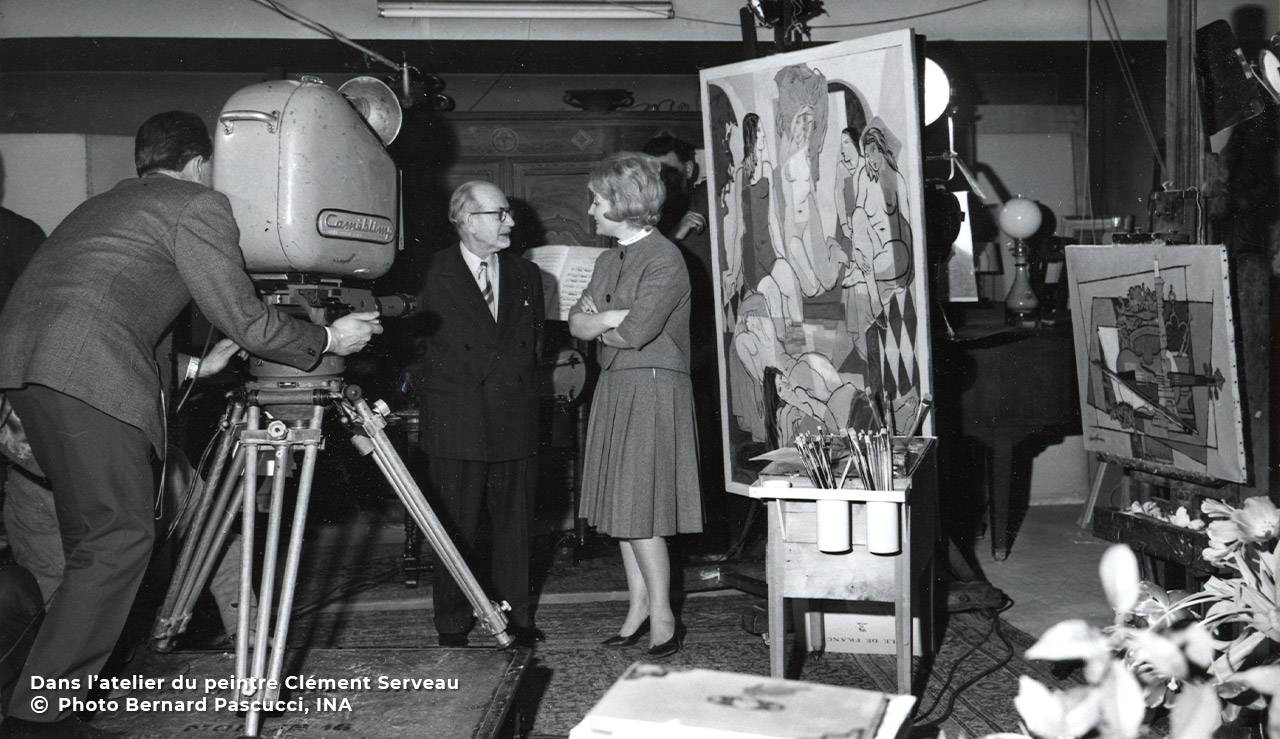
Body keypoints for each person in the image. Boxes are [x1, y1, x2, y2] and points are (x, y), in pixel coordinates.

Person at [0, 110, 381, 738]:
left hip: (31, 372)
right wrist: (325, 337)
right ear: (202, 163)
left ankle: (39, 703)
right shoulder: (196, 204)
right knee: (118, 540)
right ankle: (40, 716)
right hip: (84, 374)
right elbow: (245, 317)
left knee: (95, 543)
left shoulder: (106, 206)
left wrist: (199, 365)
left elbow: (102, 301)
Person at [569, 152, 702, 659]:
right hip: (617, 385)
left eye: (598, 201)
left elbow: (635, 332)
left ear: (623, 204)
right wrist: (609, 318)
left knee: (640, 511)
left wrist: (603, 319)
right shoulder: (607, 258)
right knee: (623, 510)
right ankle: (638, 610)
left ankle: (665, 618)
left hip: (652, 386)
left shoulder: (666, 258)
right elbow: (579, 326)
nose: (590, 211)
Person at [411, 180, 545, 649]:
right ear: (467, 220)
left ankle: (516, 617)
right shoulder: (429, 273)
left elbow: (535, 348)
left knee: (516, 525)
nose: (510, 222)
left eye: (507, 213)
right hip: (456, 418)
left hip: (515, 415)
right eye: (500, 214)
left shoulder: (526, 276)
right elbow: (413, 346)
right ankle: (452, 623)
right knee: (455, 526)